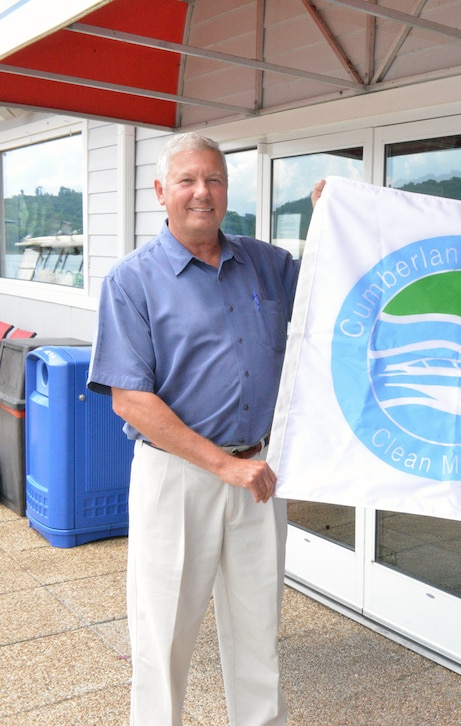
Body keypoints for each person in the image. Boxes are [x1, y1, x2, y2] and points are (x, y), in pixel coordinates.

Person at [89, 133, 299, 725]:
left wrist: (334, 214)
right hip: (177, 477)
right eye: (187, 181)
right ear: (161, 192)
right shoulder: (132, 280)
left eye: (214, 180)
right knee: (163, 642)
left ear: (227, 190)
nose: (202, 193)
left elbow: (334, 294)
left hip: (256, 475)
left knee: (260, 637)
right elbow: (131, 400)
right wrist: (223, 465)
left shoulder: (267, 264)